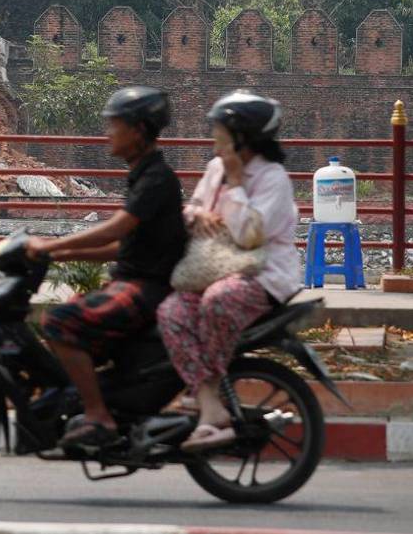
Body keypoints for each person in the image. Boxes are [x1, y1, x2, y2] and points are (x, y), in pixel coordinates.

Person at [27, 86, 188, 448]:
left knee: (59, 322)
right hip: (136, 282)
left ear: (138, 130)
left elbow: (117, 228)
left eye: (115, 125)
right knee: (74, 315)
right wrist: (58, 256)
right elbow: (123, 248)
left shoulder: (156, 178)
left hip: (145, 289)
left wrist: (51, 244)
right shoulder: (143, 174)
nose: (107, 133)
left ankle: (98, 417)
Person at [157, 90, 299, 452]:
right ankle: (210, 403)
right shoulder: (214, 169)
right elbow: (192, 207)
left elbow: (249, 237)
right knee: (171, 311)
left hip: (262, 275)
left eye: (221, 134)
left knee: (218, 300)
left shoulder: (273, 178)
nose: (214, 141)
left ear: (243, 138)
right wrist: (198, 215)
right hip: (213, 270)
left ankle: (205, 399)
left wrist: (236, 184)